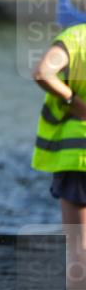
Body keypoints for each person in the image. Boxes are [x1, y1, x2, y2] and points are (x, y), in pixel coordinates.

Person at [32, 22, 86, 231]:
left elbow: (42, 72)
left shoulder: (76, 38)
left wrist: (72, 99)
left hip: (78, 157)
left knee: (80, 250)